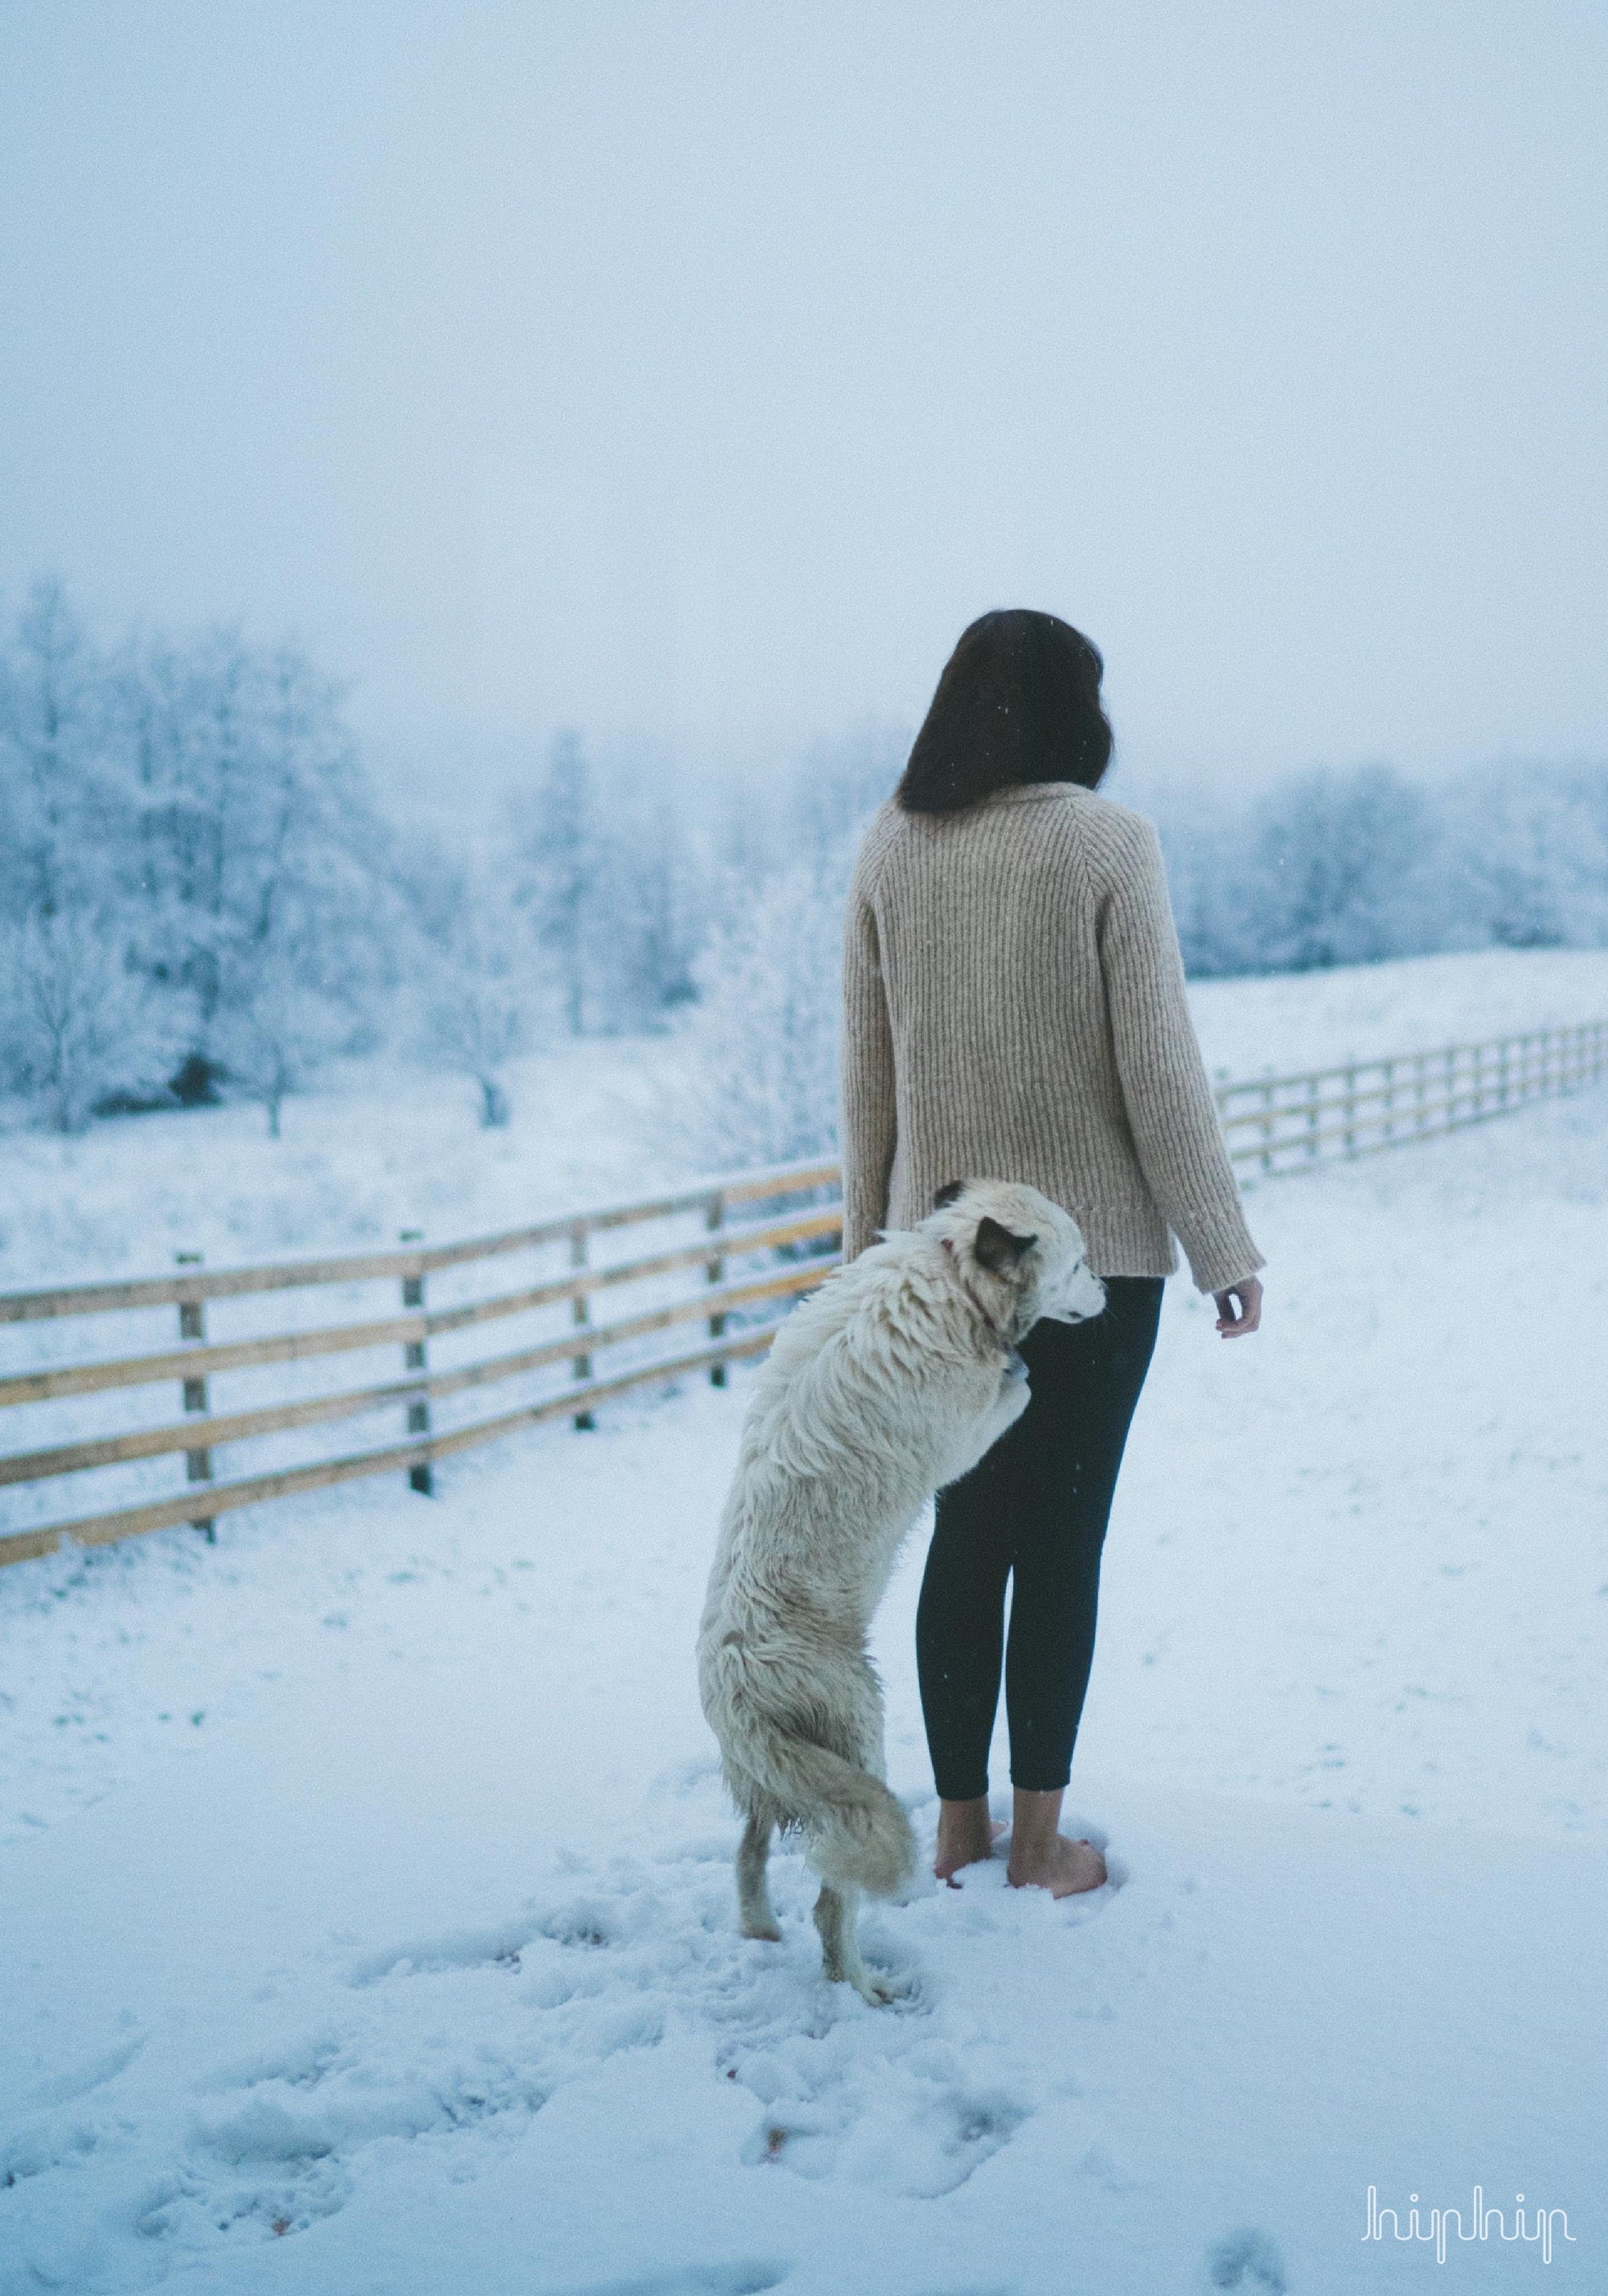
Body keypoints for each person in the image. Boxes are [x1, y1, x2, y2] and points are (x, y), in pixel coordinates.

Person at [839, 609, 1265, 1897]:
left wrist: (870, 1253)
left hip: (943, 1269)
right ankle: (1038, 1845)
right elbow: (1161, 1069)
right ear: (1071, 711)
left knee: (966, 1538)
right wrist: (1221, 1244)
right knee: (1061, 1545)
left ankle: (957, 1830)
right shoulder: (1108, 845)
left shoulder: (889, 848)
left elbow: (870, 1083)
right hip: (1098, 1266)